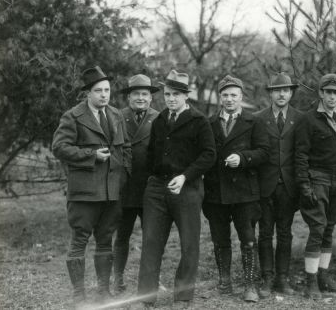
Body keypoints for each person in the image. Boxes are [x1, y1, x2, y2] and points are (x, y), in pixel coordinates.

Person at [52, 66, 131, 306]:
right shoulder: (73, 116)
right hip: (84, 192)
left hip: (111, 192)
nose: (104, 95)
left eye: (107, 90)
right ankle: (79, 295)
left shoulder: (116, 115)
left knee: (106, 240)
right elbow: (59, 147)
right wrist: (91, 155)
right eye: (98, 91)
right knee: (79, 241)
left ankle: (103, 291)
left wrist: (123, 175)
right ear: (88, 92)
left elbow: (125, 148)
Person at [136, 70, 216, 307]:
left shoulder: (199, 121)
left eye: (176, 95)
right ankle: (146, 298)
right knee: (151, 242)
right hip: (158, 190)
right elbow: (151, 153)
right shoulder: (160, 120)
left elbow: (209, 154)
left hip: (187, 189)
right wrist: (156, 177)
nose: (170, 99)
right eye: (167, 94)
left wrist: (185, 176)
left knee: (189, 243)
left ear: (186, 96)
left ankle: (182, 296)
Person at [203, 75, 270, 302]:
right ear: (219, 98)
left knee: (248, 239)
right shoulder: (209, 123)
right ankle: (224, 281)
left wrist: (243, 158)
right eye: (225, 95)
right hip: (216, 192)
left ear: (241, 97)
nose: (229, 99)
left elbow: (264, 152)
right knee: (220, 239)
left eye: (234, 95)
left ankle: (250, 284)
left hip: (245, 192)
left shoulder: (254, 122)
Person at [295, 73, 336, 299]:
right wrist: (304, 185)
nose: (332, 97)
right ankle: (310, 284)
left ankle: (323, 278)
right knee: (317, 229)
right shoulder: (309, 120)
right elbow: (300, 155)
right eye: (328, 92)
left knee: (329, 228)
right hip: (316, 179)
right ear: (321, 93)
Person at [254, 72, 303, 297]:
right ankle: (267, 277)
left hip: (289, 186)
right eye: (277, 90)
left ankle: (282, 278)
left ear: (291, 92)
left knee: (285, 233)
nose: (281, 94)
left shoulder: (301, 118)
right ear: (270, 93)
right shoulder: (258, 118)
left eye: (285, 90)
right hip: (265, 185)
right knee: (265, 233)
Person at [112, 74, 159, 294]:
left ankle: (149, 282)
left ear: (151, 98)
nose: (140, 98)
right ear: (128, 97)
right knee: (122, 236)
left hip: (150, 189)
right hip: (125, 188)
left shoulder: (160, 119)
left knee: (151, 237)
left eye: (145, 94)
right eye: (136, 94)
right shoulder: (117, 117)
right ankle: (117, 279)